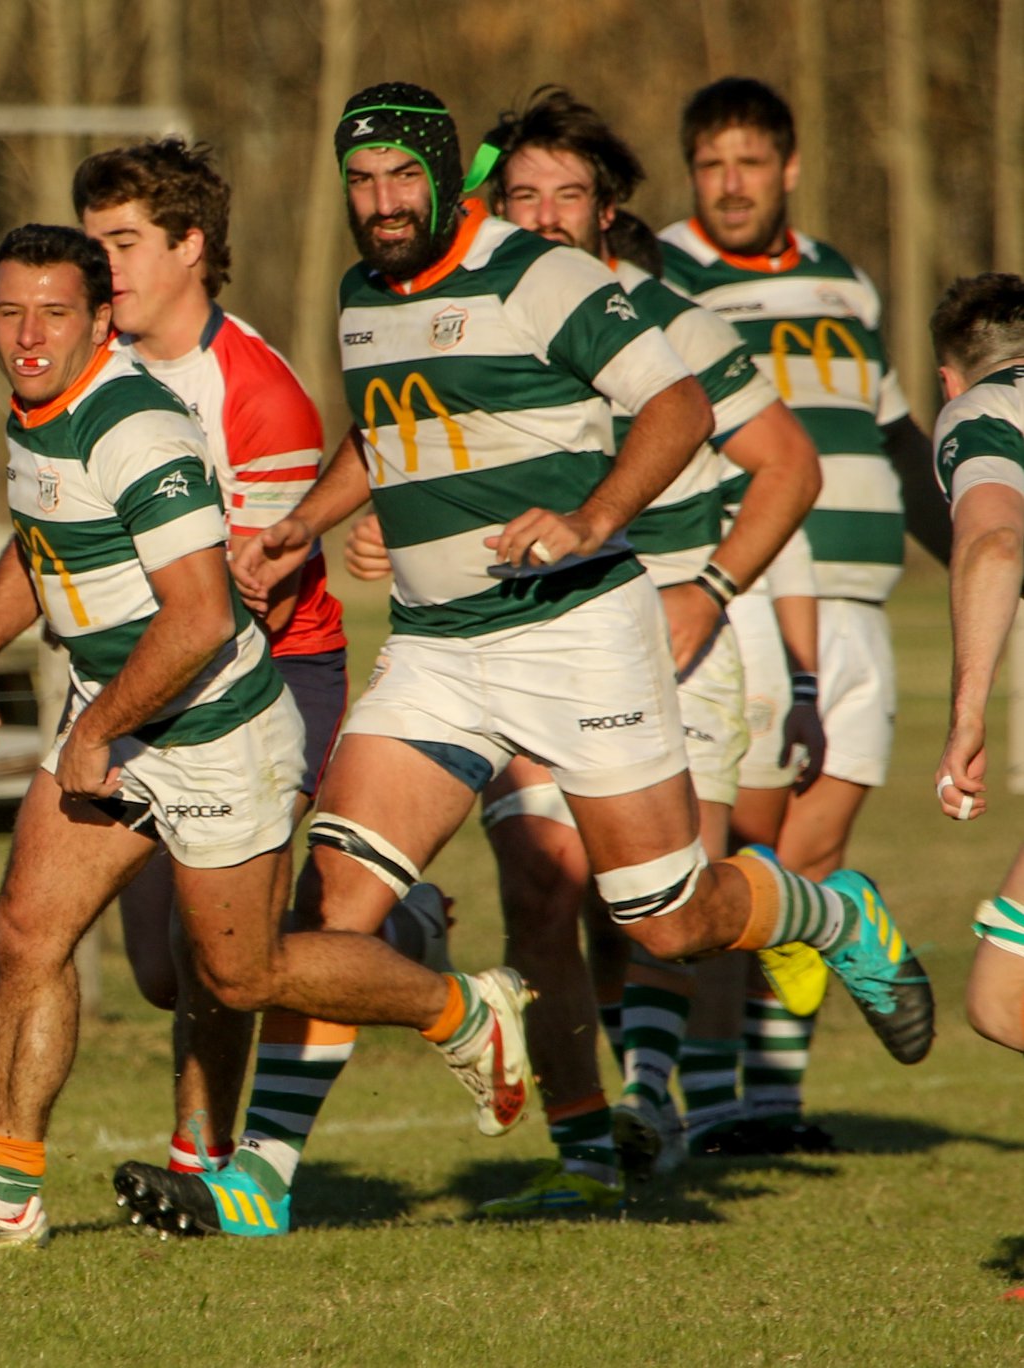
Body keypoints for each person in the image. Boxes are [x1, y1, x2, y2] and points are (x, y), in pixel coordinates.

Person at [121, 81, 930, 1240]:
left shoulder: (538, 274)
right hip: (439, 650)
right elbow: (387, 422)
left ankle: (831, 911)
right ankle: (262, 1175)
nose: (382, 202)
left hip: (578, 638)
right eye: (362, 180)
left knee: (663, 919)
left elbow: (681, 404)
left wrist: (594, 520)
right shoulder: (362, 292)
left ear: (445, 177)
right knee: (333, 906)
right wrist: (307, 519)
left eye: (404, 177)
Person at [0, 224, 530, 1254]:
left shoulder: (134, 426)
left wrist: (95, 729)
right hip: (122, 721)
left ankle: (459, 1006)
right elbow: (42, 534)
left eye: (54, 312)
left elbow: (198, 619)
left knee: (239, 974)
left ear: (101, 318)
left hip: (217, 735)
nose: (28, 335)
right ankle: (3, 1195)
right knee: (26, 933)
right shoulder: (35, 409)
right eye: (9, 312)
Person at [448, 88, 818, 1213]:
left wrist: (709, 589)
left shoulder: (671, 322)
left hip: (669, 636)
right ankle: (586, 1153)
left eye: (571, 195)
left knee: (659, 903)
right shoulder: (473, 320)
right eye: (524, 196)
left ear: (610, 212)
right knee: (545, 899)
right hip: (522, 644)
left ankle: (656, 1080)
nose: (548, 215)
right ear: (495, 208)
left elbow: (788, 467)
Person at [658, 77, 936, 1151]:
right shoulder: (668, 277)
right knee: (744, 844)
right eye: (710, 165)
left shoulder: (845, 284)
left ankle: (770, 1104)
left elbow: (901, 444)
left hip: (865, 604)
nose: (730, 186)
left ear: (790, 169)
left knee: (811, 857)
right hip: (754, 592)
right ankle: (715, 1096)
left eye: (749, 163)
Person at [71, 137, 357, 1177]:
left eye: (125, 242)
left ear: (192, 245)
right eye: (93, 242)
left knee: (216, 954)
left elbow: (244, 602)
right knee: (155, 968)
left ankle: (200, 1152)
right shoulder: (91, 370)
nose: (104, 268)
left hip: (269, 676)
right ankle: (380, 928)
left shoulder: (256, 395)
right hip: (152, 678)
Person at [929, 273, 1024, 1051]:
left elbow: (995, 541)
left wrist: (966, 717)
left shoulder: (982, 411)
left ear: (946, 377)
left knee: (1002, 999)